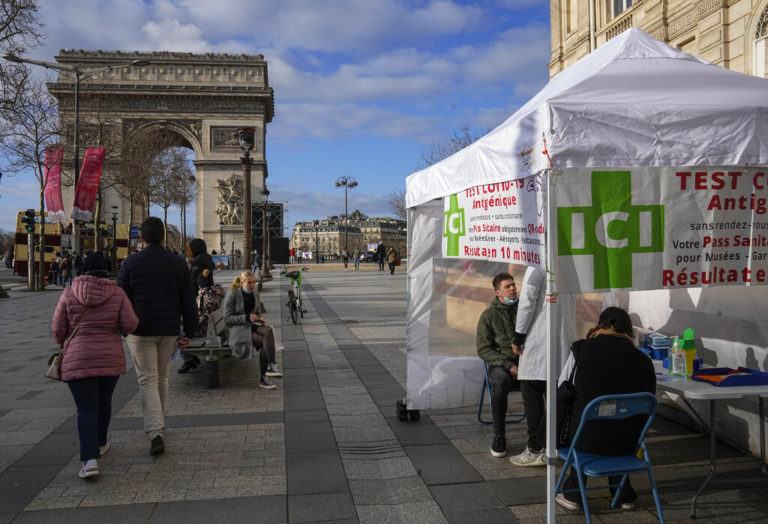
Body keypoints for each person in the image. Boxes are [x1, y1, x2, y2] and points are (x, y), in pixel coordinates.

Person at [555, 306, 656, 512]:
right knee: (618, 421)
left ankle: (574, 494)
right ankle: (623, 494)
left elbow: (563, 387)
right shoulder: (644, 360)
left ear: (602, 325)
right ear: (628, 331)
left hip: (586, 439)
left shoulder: (582, 349)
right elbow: (649, 402)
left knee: (583, 417)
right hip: (627, 441)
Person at [51, 252, 139, 479]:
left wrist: (70, 344)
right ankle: (100, 443)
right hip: (109, 357)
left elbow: (58, 329)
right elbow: (130, 325)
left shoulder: (69, 292)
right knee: (104, 401)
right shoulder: (117, 293)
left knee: (86, 408)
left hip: (77, 359)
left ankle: (89, 461)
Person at [117, 217, 197, 456]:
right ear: (163, 236)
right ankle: (159, 425)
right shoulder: (177, 263)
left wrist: (123, 328)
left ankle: (154, 431)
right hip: (169, 329)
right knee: (161, 378)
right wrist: (189, 332)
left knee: (147, 380)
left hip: (139, 330)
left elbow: (121, 299)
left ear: (141, 237)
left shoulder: (130, 263)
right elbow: (188, 301)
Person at [509, 266, 576, 467]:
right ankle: (552, 446)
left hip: (539, 342)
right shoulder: (569, 261)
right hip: (562, 341)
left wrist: (518, 335)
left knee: (533, 399)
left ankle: (535, 448)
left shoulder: (537, 265)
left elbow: (527, 302)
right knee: (554, 401)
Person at [476, 272, 520, 458]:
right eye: (507, 287)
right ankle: (499, 436)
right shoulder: (488, 315)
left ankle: (541, 437)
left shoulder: (525, 310)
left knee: (547, 381)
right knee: (500, 383)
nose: (512, 289)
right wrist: (509, 365)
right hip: (500, 364)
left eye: (513, 285)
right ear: (497, 293)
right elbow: (483, 349)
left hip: (526, 362)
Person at [222, 270, 281, 389]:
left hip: (250, 326)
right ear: (242, 283)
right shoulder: (233, 295)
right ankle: (264, 378)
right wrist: (246, 317)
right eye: (249, 283)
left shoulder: (255, 293)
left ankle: (270, 366)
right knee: (265, 342)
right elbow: (227, 319)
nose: (253, 285)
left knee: (268, 330)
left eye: (254, 282)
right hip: (237, 330)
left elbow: (257, 311)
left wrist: (258, 318)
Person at [178, 238, 224, 373]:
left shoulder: (197, 263)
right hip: (208, 322)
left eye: (190, 249)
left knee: (176, 331)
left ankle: (188, 358)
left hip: (202, 325)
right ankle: (191, 358)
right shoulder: (207, 260)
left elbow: (191, 283)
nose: (188, 252)